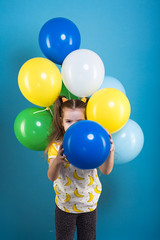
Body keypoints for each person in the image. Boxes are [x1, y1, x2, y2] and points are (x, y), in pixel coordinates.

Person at [45, 96, 115, 240]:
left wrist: (110, 151)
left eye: (79, 121)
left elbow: (106, 171)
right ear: (61, 122)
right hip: (65, 206)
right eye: (69, 121)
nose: (74, 126)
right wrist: (57, 161)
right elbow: (51, 176)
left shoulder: (93, 144)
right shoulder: (56, 147)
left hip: (89, 205)